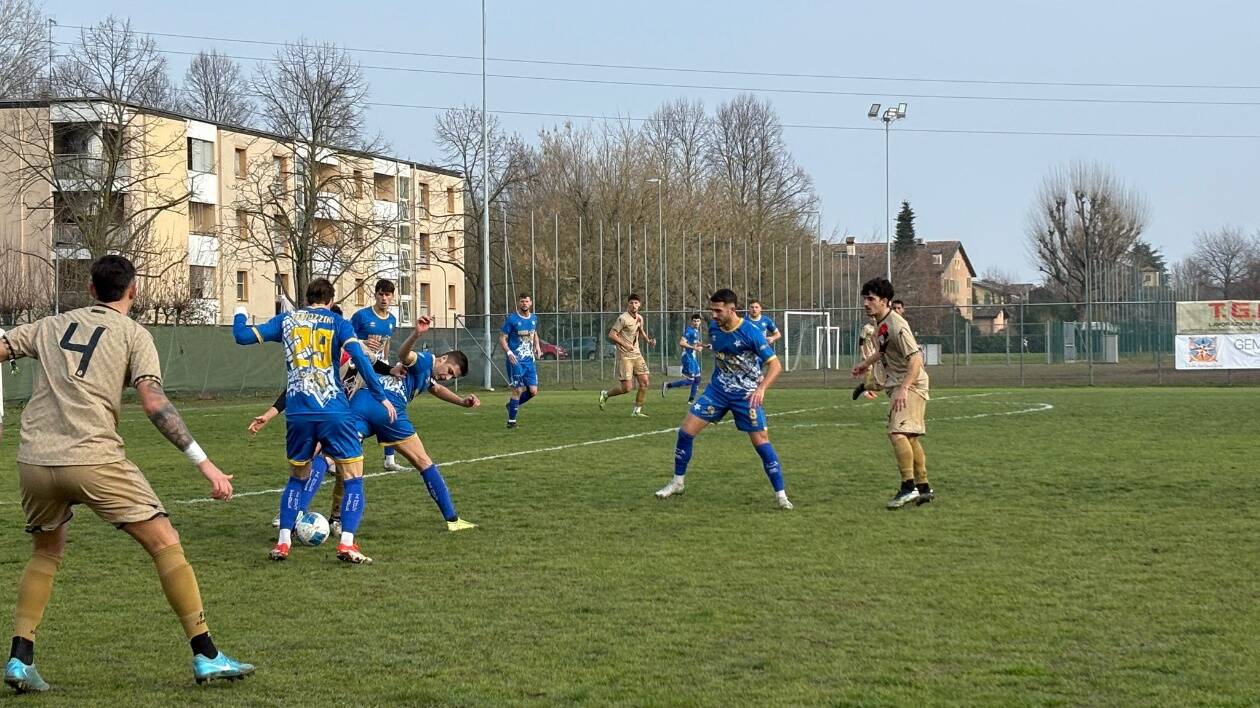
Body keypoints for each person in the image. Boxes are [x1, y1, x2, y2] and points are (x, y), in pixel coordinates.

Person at [0, 255, 252, 692]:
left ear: (91, 290)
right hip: (94, 458)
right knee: (165, 544)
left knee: (46, 554)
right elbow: (155, 404)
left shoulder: (50, 324)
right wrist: (204, 463)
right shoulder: (134, 334)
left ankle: (20, 660)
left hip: (35, 461)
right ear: (132, 291)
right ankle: (207, 655)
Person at [252, 323, 479, 533]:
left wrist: (461, 402)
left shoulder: (425, 375)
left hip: (360, 403)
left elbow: (436, 388)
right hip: (389, 412)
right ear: (443, 358)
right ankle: (452, 520)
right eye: (449, 370)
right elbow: (404, 355)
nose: (447, 377)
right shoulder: (423, 361)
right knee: (424, 462)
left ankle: (297, 513)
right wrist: (416, 334)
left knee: (329, 457)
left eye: (451, 377)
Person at [234, 278, 395, 564]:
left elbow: (242, 337)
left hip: (298, 412)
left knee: (297, 479)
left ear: (307, 298)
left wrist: (240, 312)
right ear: (331, 301)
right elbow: (361, 359)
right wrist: (381, 397)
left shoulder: (287, 320)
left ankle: (283, 542)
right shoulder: (337, 322)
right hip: (333, 410)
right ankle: (346, 544)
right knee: (354, 477)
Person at [655, 289, 793, 510]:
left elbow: (776, 365)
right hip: (718, 391)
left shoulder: (751, 333)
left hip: (746, 395)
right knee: (685, 431)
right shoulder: (713, 328)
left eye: (718, 310)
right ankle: (677, 482)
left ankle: (781, 495)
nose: (714, 315)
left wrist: (761, 389)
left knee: (761, 443)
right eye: (712, 310)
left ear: (732, 309)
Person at [852, 277, 934, 509]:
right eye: (865, 299)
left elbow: (916, 358)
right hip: (901, 383)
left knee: (897, 433)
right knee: (909, 437)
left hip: (911, 384)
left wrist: (905, 388)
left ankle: (909, 487)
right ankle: (924, 488)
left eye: (871, 299)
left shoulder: (897, 325)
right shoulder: (881, 322)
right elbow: (882, 350)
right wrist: (865, 364)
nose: (866, 303)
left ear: (885, 301)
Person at [351, 279, 406, 472]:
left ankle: (389, 459)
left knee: (390, 409)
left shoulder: (391, 320)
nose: (384, 298)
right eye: (381, 294)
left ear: (392, 297)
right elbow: (346, 339)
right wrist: (363, 342)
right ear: (375, 294)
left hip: (382, 371)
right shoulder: (361, 316)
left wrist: (389, 365)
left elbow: (387, 344)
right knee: (357, 411)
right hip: (361, 371)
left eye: (388, 295)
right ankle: (348, 455)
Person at [599, 294, 656, 417]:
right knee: (627, 388)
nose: (634, 305)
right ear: (628, 304)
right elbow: (612, 334)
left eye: (636, 303)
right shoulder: (623, 318)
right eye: (631, 303)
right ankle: (605, 394)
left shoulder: (640, 318)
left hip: (637, 354)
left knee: (645, 382)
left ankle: (637, 411)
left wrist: (648, 340)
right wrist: (625, 345)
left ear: (639, 305)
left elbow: (640, 330)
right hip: (625, 356)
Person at [500, 293, 540, 429]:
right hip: (515, 361)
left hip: (529, 361)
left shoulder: (534, 318)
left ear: (531, 303)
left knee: (533, 391)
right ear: (519, 303)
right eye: (522, 301)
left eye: (526, 301)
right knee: (518, 389)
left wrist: (537, 347)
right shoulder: (512, 319)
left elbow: (534, 334)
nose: (524, 303)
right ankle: (511, 422)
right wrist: (509, 352)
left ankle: (510, 405)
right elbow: (502, 338)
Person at [661, 313, 706, 403]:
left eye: (698, 321)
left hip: (692, 357)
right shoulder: (689, 331)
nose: (696, 323)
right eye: (694, 321)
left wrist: (705, 345)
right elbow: (682, 343)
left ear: (700, 322)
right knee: (690, 380)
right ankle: (668, 385)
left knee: (697, 378)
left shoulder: (696, 331)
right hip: (687, 357)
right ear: (691, 321)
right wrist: (695, 348)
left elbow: (695, 342)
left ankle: (691, 400)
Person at [851, 316, 884, 401]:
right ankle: (866, 392)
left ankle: (869, 389)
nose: (873, 319)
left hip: (875, 352)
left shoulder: (877, 327)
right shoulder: (866, 328)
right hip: (867, 352)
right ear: (869, 318)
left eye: (874, 318)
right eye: (872, 318)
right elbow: (861, 341)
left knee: (874, 371)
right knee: (868, 370)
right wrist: (862, 353)